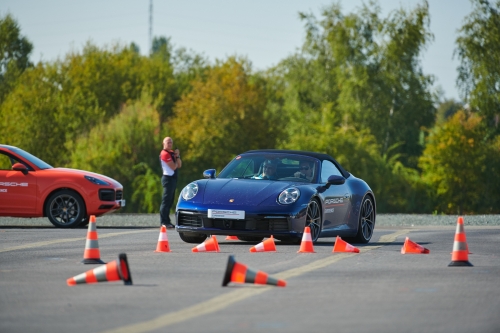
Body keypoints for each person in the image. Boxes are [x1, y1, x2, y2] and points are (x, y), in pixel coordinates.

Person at [159, 136, 182, 228]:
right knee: (166, 201)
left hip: (173, 178)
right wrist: (176, 160)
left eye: (171, 142)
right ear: (163, 144)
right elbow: (173, 166)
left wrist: (178, 156)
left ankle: (167, 221)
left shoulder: (172, 153)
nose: (170, 144)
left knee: (170, 201)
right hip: (167, 178)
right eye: (168, 142)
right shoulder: (164, 153)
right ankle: (163, 221)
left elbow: (179, 165)